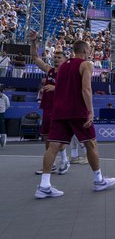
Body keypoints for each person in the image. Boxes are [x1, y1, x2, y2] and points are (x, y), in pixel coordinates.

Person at [35, 40, 115, 199]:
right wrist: (90, 112)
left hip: (59, 112)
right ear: (85, 50)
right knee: (91, 144)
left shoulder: (62, 66)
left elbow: (58, 88)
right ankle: (98, 180)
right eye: (89, 50)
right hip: (78, 112)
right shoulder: (86, 65)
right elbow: (86, 89)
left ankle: (44, 185)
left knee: (53, 147)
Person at [29, 31, 70, 175]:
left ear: (66, 60)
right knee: (47, 136)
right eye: (55, 57)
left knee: (56, 136)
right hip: (47, 107)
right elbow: (35, 57)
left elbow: (71, 91)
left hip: (60, 108)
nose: (56, 59)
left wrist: (55, 87)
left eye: (59, 57)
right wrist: (34, 42)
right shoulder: (50, 70)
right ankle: (51, 164)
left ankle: (64, 160)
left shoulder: (68, 74)